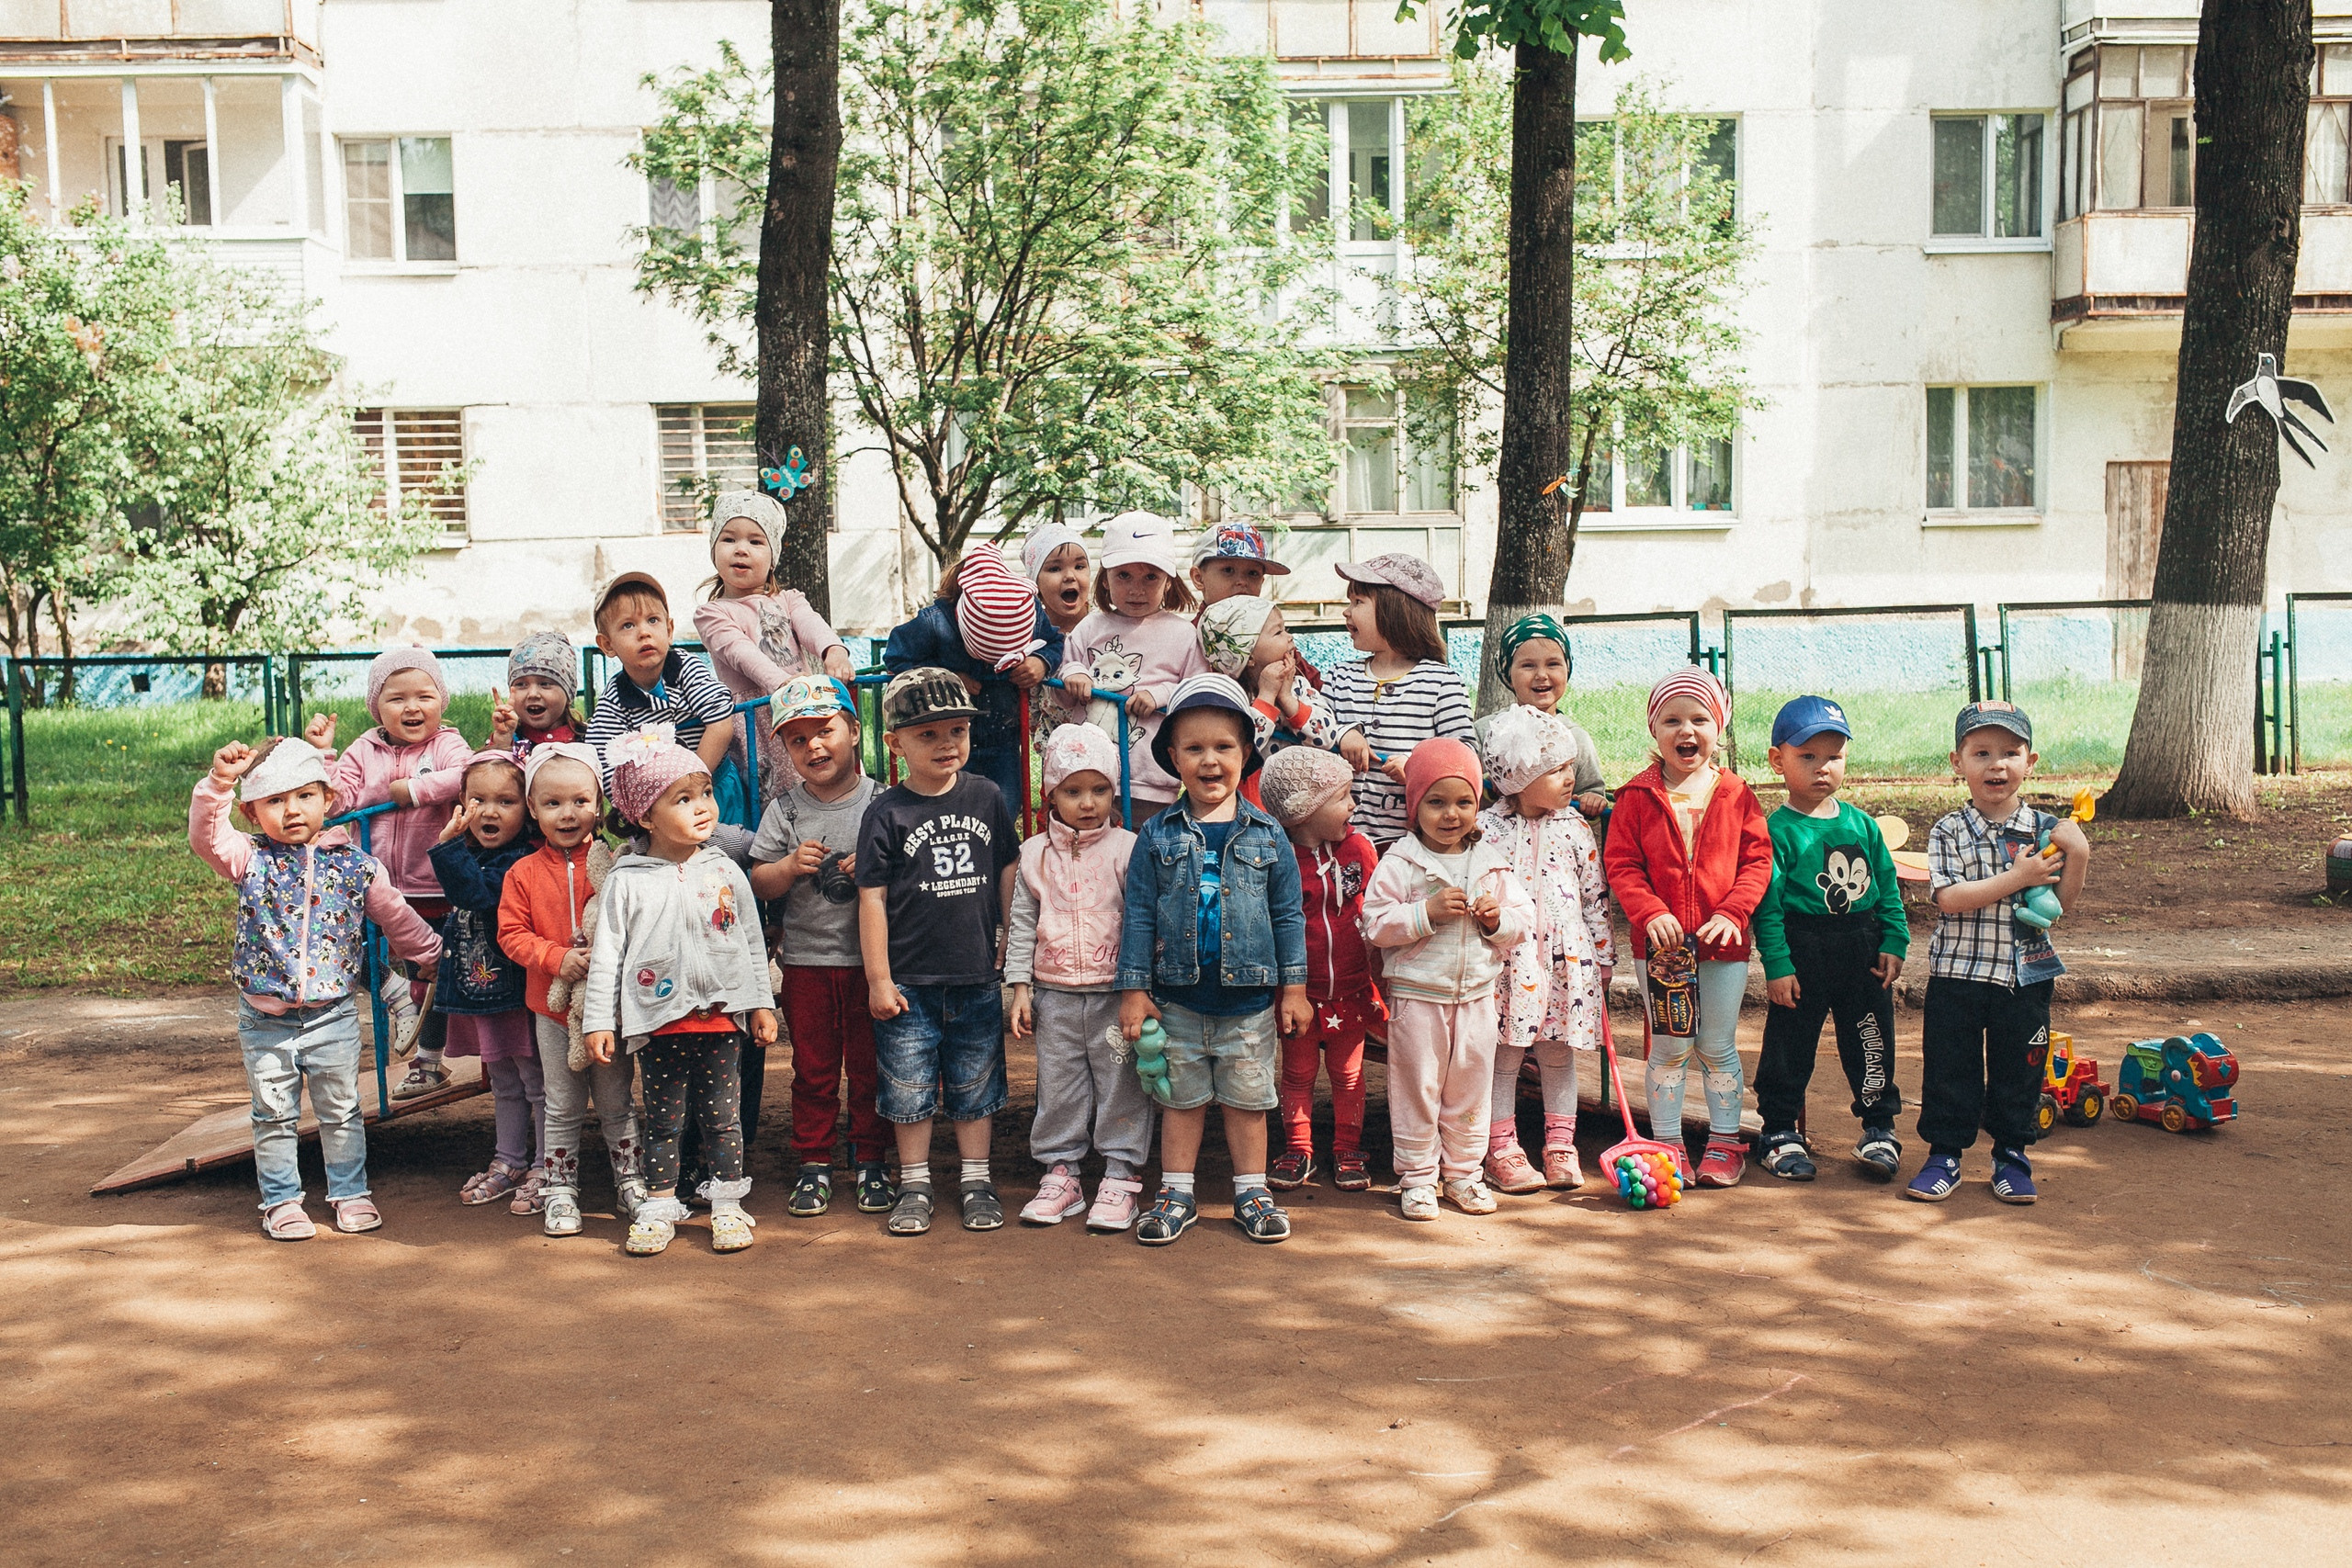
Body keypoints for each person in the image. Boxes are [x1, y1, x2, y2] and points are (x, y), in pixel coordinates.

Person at [189, 736, 442, 1240]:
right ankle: (281, 1201)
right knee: (274, 1114)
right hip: (265, 1021)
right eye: (275, 801)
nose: (291, 811)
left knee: (342, 1110)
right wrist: (218, 783)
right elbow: (206, 838)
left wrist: (431, 954)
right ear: (252, 811)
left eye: (304, 796)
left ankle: (350, 1191)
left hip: (333, 1016)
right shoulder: (249, 858)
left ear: (328, 799)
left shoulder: (355, 866)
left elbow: (396, 917)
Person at [1116, 674, 1310, 1246]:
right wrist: (1133, 988)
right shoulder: (1155, 835)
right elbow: (1141, 916)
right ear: (1173, 757)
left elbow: (1288, 916)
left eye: (1223, 747)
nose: (1209, 761)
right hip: (1176, 998)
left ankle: (1252, 1190)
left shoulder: (1269, 835)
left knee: (1248, 1099)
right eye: (1194, 748)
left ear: (1246, 752)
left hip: (1248, 1002)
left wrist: (1293, 988)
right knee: (1181, 1098)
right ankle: (1177, 1192)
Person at [582, 728, 778, 1257]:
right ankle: (660, 1206)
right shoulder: (627, 879)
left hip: (721, 1020)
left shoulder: (726, 869)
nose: (703, 808)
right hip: (658, 1020)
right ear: (645, 815)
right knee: (665, 1120)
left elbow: (752, 943)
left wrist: (761, 1003)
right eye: (683, 799)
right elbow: (607, 959)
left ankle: (729, 1207)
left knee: (723, 1118)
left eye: (706, 794)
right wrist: (599, 1020)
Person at [855, 668, 1022, 1237]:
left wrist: (1008, 933)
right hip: (909, 981)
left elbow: (1006, 865)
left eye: (957, 730)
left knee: (976, 1082)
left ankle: (976, 1180)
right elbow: (872, 898)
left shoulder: (987, 796)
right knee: (908, 1087)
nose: (947, 743)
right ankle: (916, 1182)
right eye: (928, 734)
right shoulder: (885, 812)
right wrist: (879, 978)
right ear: (893, 742)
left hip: (976, 971)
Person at [1906, 701, 2088, 1205]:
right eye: (1981, 752)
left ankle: (2012, 1156)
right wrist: (2018, 878)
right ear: (1957, 762)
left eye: (2011, 752)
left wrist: (2080, 854)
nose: (1997, 765)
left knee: (2020, 1068)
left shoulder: (2047, 830)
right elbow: (1949, 899)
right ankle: (1945, 1155)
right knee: (1951, 1067)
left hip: (2025, 976)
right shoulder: (1949, 830)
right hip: (1959, 974)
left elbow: (2060, 907)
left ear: (2030, 763)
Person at [1603, 668, 1773, 1188]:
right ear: (1654, 730)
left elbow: (1758, 860)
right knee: (1670, 1048)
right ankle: (1668, 1142)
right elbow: (1623, 864)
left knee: (1718, 1044)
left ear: (1717, 728)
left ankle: (1724, 1143)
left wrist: (1733, 912)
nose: (1687, 731)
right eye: (1672, 720)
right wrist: (1651, 912)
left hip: (1725, 946)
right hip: (1661, 948)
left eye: (1700, 718)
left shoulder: (1736, 792)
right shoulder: (1636, 795)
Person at [1362, 739, 1532, 1220]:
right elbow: (1374, 924)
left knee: (1469, 1088)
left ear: (1479, 804)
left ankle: (1463, 1175)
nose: (1451, 814)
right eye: (1435, 802)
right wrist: (1424, 913)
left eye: (1464, 802)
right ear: (1415, 807)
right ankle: (1417, 1178)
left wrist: (1497, 920)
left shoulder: (1491, 863)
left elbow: (1523, 921)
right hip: (1418, 999)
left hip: (1477, 999)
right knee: (1418, 1088)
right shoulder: (1401, 861)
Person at [747, 674, 893, 1221]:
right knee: (813, 1069)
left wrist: (877, 873)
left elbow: (908, 878)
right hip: (806, 964)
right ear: (784, 750)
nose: (814, 747)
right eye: (797, 739)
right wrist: (787, 867)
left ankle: (870, 1159)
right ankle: (813, 1162)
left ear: (854, 731)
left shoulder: (883, 802)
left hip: (871, 965)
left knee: (870, 1065)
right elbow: (759, 881)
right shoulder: (785, 809)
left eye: (825, 730)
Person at [1750, 696, 1910, 1183]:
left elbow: (1887, 888)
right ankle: (1779, 1132)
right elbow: (1768, 906)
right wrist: (1777, 964)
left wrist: (1895, 939)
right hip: (1804, 948)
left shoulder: (1861, 824)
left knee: (1870, 1038)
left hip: (1862, 947)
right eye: (1808, 757)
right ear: (1778, 760)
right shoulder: (1775, 830)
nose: (1823, 768)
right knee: (1790, 1044)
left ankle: (1879, 1128)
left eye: (1834, 756)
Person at [497, 741, 647, 1237]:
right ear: (533, 810)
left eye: (581, 801)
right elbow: (511, 934)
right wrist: (558, 958)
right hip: (552, 1011)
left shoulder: (619, 862)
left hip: (611, 1011)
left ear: (599, 803)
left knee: (616, 1100)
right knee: (560, 1103)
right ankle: (560, 1187)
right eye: (553, 803)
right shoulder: (521, 873)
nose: (568, 814)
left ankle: (630, 1180)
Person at [1005, 723, 1151, 1232]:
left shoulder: (1130, 849)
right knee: (1060, 1086)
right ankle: (1061, 1172)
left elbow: (1141, 920)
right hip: (1054, 994)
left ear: (1114, 790)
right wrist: (1020, 986)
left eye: (1099, 789)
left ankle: (1120, 1175)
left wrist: (1141, 986)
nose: (1087, 803)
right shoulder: (1034, 855)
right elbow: (1022, 924)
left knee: (1122, 1084)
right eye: (1072, 791)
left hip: (1115, 994)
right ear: (1051, 795)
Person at [320, 647, 474, 1100]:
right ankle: (392, 990)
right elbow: (338, 800)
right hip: (374, 885)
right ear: (376, 707)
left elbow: (467, 775)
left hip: (432, 884)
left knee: (437, 969)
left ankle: (429, 1063)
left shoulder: (446, 744)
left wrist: (416, 790)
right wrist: (324, 755)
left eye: (424, 696)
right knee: (345, 949)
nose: (412, 707)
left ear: (441, 702)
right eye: (396, 698)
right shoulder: (362, 750)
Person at [1476, 705, 1613, 1194]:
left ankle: (1560, 1143)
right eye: (1554, 768)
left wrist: (1603, 957)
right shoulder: (1484, 831)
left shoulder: (1575, 828)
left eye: (1569, 765)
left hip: (1563, 964)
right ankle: (1501, 1148)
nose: (1569, 776)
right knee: (1505, 1055)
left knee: (1557, 1054)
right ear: (1517, 778)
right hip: (1505, 964)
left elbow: (1595, 897)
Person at [1257, 745, 1379, 1193]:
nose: (1353, 804)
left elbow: (1376, 909)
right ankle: (1299, 1148)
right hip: (1299, 995)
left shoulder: (1360, 848)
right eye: (1342, 796)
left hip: (1351, 988)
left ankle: (1348, 1148)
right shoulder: (1279, 859)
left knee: (1349, 1074)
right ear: (1304, 812)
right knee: (1297, 1073)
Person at [427, 753, 545, 1213]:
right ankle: (510, 1160)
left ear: (529, 807)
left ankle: (544, 1163)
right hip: (485, 993)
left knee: (535, 1080)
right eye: (479, 799)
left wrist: (448, 847)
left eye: (506, 800)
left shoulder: (520, 861)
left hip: (516, 993)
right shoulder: (472, 853)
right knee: (503, 1079)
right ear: (462, 803)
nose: (491, 811)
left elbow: (473, 894)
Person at [691, 491, 856, 806]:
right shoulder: (712, 613)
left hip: (803, 711)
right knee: (771, 797)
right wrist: (782, 684)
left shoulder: (789, 599)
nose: (741, 549)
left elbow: (811, 625)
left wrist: (833, 651)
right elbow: (740, 651)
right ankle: (773, 850)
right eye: (729, 539)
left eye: (755, 541)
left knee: (823, 781)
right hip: (759, 720)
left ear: (772, 557)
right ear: (714, 551)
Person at [881, 545, 1060, 816]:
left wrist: (1041, 661)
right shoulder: (935, 622)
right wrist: (946, 677)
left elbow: (1055, 641)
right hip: (943, 742)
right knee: (947, 813)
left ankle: (997, 860)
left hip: (1003, 741)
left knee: (1003, 811)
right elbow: (896, 657)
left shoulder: (1025, 609)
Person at [1057, 512, 1204, 820]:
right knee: (1092, 858)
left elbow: (1198, 694)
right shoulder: (1088, 627)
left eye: (1150, 576)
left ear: (1168, 582)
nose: (1136, 588)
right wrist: (1074, 674)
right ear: (1106, 579)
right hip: (1090, 775)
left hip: (1151, 778)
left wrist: (1161, 695)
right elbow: (1064, 690)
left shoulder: (1184, 634)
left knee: (1143, 856)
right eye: (1123, 575)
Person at [1322, 554, 1474, 849]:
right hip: (1342, 842)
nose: (1346, 612)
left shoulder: (1441, 682)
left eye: (1358, 602)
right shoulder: (1340, 677)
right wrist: (1343, 733)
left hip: (1413, 846)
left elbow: (1465, 757)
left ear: (1396, 611)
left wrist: (1418, 768)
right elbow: (1315, 734)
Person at [584, 570, 739, 792]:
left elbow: (721, 725)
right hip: (659, 797)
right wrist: (634, 805)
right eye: (628, 625)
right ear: (607, 644)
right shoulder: (616, 696)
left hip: (713, 781)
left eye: (653, 620)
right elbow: (603, 757)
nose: (644, 632)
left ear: (668, 630)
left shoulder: (685, 667)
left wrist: (692, 786)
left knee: (726, 827)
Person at [1197, 594, 1342, 791]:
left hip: (1308, 796)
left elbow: (1326, 737)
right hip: (1257, 799)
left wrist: (1287, 699)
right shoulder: (1234, 698)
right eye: (1278, 632)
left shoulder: (1298, 685)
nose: (1290, 637)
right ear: (1248, 656)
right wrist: (1266, 697)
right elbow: (1240, 749)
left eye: (1286, 629)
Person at [1473, 615, 1608, 818]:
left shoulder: (1576, 737)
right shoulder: (1487, 732)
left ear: (1567, 668)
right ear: (1507, 673)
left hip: (1556, 844)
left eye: (1553, 664)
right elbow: (1465, 793)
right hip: (1496, 843)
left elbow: (1593, 790)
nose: (1541, 675)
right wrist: (1488, 789)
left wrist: (1592, 799)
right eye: (1528, 665)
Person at [488, 630, 587, 761]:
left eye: (545, 684)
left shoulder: (587, 737)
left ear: (569, 694)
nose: (533, 694)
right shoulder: (513, 738)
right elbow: (491, 774)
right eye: (521, 684)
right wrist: (502, 740)